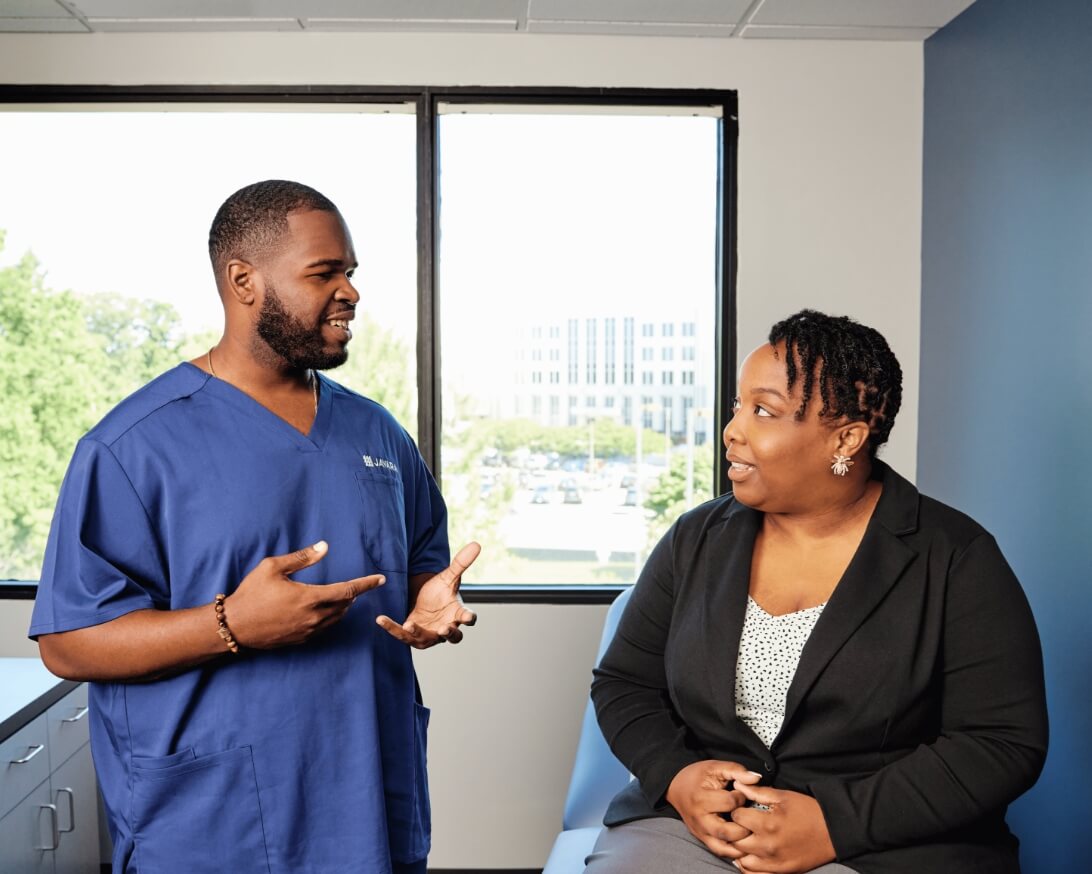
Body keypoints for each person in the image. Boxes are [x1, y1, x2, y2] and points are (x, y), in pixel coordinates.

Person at [30, 179, 479, 874]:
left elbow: (421, 562)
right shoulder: (133, 447)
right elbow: (67, 642)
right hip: (215, 825)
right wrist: (229, 623)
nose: (350, 292)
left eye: (351, 273)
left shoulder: (377, 434)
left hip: (369, 810)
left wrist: (428, 600)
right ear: (244, 280)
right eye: (324, 273)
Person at [586, 310, 1047, 873]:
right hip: (696, 832)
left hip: (886, 845)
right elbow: (624, 684)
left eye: (763, 411)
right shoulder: (695, 538)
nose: (733, 430)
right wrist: (679, 777)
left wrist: (834, 824)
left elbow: (1000, 742)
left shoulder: (955, 558)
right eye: (738, 406)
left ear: (846, 437)